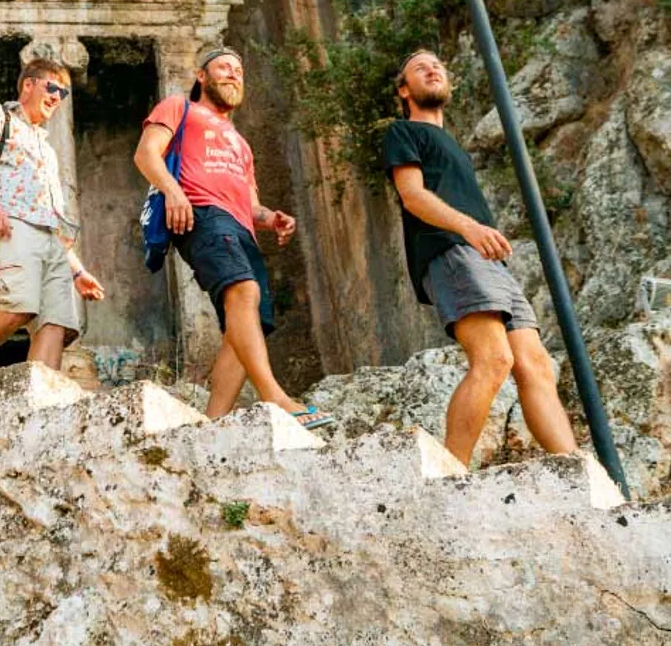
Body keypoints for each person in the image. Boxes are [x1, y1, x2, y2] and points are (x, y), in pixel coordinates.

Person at [383, 49, 578, 465]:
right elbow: (412, 196)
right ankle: (451, 474)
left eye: (438, 64)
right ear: (404, 89)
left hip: (486, 261)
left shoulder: (451, 144)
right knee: (493, 359)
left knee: (536, 366)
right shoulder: (404, 132)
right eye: (420, 67)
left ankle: (577, 469)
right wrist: (467, 227)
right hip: (449, 249)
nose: (433, 68)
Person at [134, 47, 336, 430]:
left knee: (244, 326)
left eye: (239, 70)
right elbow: (146, 155)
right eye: (224, 67)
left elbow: (251, 203)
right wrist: (174, 193)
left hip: (240, 228)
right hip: (200, 214)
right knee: (242, 291)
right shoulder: (180, 108)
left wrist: (269, 218)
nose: (233, 74)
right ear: (202, 76)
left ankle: (214, 423)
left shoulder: (241, 144)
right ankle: (276, 397)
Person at [0, 57, 106, 386]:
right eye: (51, 87)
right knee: (19, 304)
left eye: (63, 93)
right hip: (11, 226)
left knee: (56, 323)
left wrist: (78, 271)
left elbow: (51, 218)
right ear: (28, 85)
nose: (57, 96)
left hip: (50, 242)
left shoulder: (47, 148)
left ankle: (39, 400)